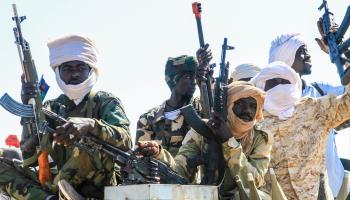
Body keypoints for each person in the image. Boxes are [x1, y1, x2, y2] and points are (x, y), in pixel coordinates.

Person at [0, 34, 132, 200]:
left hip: (98, 185)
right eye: (68, 69)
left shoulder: (106, 102)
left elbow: (126, 141)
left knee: (88, 142)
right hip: (54, 182)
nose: (75, 74)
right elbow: (29, 159)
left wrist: (91, 125)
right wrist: (30, 110)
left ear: (90, 70)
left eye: (81, 67)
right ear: (58, 72)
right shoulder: (49, 107)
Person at [138, 81, 273, 199]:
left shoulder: (261, 137)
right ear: (229, 105)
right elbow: (180, 170)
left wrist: (228, 141)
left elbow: (253, 181)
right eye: (241, 104)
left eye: (252, 106)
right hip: (207, 193)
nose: (248, 111)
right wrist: (159, 154)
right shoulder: (203, 129)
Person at [250, 61, 350, 199]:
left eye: (284, 81)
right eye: (273, 82)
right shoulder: (253, 123)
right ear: (262, 87)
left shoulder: (315, 108)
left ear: (294, 83)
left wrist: (347, 75)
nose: (279, 84)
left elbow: (348, 104)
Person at [268, 32, 347, 196]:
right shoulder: (265, 106)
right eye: (301, 51)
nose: (308, 55)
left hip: (333, 190)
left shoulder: (320, 92)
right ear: (287, 58)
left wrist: (338, 54)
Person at [135, 55, 201, 157]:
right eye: (188, 77)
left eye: (195, 77)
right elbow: (140, 158)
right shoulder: (148, 119)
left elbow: (214, 106)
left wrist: (206, 75)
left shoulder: (199, 109)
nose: (194, 82)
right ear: (174, 80)